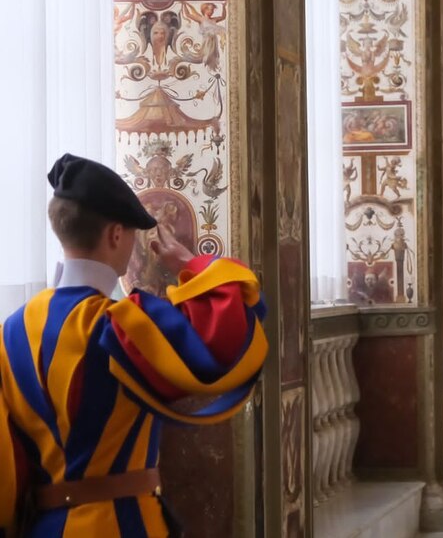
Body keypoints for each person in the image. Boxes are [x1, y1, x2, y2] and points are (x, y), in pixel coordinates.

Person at [0, 154, 268, 537]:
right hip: (121, 524)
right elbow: (225, 345)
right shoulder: (120, 325)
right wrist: (191, 266)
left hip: (44, 527)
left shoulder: (10, 332)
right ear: (115, 234)